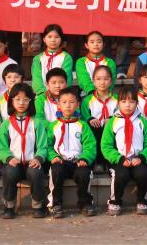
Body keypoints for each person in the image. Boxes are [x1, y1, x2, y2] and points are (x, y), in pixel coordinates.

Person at [0, 83, 50, 219]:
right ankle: (9, 207)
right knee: (9, 173)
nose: (21, 103)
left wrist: (38, 158)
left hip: (32, 162)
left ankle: (39, 206)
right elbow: (2, 148)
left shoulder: (37, 122)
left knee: (36, 173)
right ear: (11, 101)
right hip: (14, 162)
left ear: (31, 101)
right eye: (17, 99)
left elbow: (43, 146)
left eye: (25, 99)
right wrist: (9, 158)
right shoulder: (6, 124)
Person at [101, 85, 147, 216]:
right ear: (118, 103)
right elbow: (106, 146)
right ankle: (115, 201)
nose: (127, 105)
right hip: (119, 160)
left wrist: (141, 157)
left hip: (138, 159)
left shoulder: (143, 122)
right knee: (120, 175)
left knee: (144, 174)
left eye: (131, 102)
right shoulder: (112, 122)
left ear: (137, 103)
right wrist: (119, 159)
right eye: (124, 101)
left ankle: (142, 200)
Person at [48, 87, 98, 218]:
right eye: (64, 102)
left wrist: (85, 158)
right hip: (60, 161)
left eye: (71, 102)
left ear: (77, 104)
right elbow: (47, 146)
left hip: (78, 161)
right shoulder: (53, 126)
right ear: (59, 104)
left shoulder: (83, 125)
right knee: (56, 171)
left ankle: (85, 203)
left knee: (84, 173)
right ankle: (56, 204)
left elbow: (90, 145)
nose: (68, 105)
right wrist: (53, 156)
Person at [31, 24, 73, 95]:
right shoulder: (37, 59)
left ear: (61, 39)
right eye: (49, 37)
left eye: (57, 37)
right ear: (44, 39)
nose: (53, 40)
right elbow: (36, 79)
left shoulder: (66, 57)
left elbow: (66, 78)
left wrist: (60, 94)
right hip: (42, 95)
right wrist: (43, 94)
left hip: (62, 95)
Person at [75, 31, 118, 96]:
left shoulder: (110, 62)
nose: (96, 44)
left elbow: (111, 81)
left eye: (99, 42)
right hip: (87, 95)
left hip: (106, 95)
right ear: (86, 45)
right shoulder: (81, 62)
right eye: (92, 42)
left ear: (103, 44)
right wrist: (92, 92)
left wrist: (103, 94)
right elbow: (83, 79)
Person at [0, 64, 25, 130]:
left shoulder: (28, 97)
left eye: (16, 77)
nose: (12, 80)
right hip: (5, 131)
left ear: (22, 79)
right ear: (4, 80)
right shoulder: (0, 100)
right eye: (9, 77)